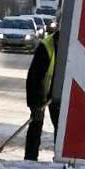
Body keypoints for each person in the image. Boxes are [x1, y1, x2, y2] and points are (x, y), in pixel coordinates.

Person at [24, 27, 61, 161]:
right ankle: (30, 159)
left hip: (61, 95)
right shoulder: (46, 47)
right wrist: (35, 105)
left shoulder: (76, 47)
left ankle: (61, 159)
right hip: (42, 93)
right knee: (36, 122)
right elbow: (33, 78)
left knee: (61, 126)